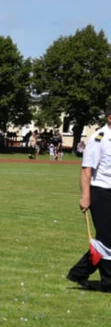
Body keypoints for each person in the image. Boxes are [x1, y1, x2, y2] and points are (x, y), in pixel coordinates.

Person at [67, 105, 111, 291]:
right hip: (101, 192)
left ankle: (79, 273)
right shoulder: (98, 139)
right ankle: (108, 282)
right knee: (106, 239)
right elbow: (86, 170)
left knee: (107, 239)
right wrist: (85, 197)